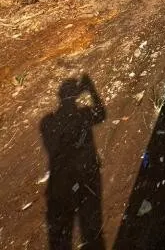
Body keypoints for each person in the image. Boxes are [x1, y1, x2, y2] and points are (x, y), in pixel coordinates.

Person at [41, 75, 106, 249]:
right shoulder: (82, 115)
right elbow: (101, 114)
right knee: (91, 229)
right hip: (84, 176)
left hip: (61, 183)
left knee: (65, 233)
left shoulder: (48, 121)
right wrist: (91, 88)